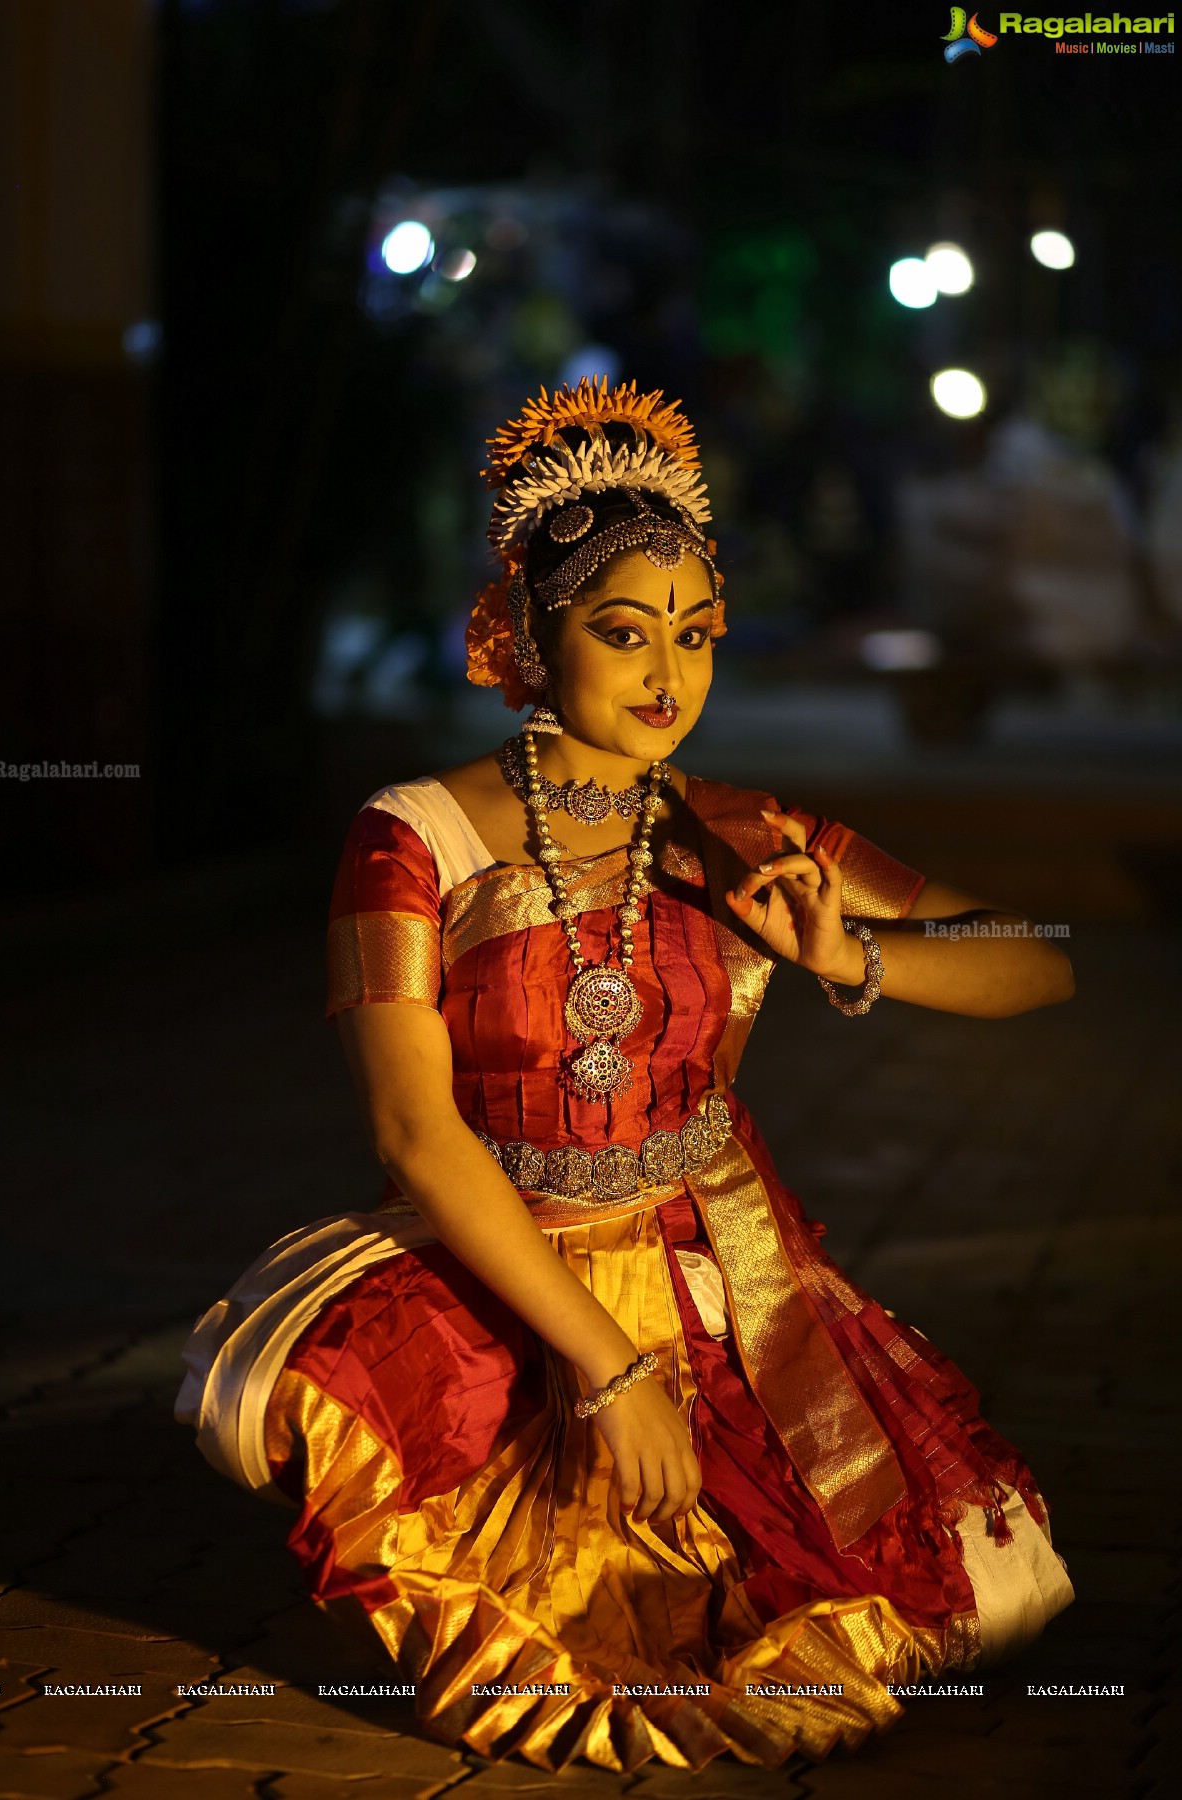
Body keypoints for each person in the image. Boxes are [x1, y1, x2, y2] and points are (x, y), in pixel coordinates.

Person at [177, 378, 1076, 1775]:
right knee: (596, 1651)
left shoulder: (741, 833)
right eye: (623, 630)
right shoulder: (410, 839)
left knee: (900, 1617)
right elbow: (416, 1135)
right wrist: (605, 1370)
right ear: (530, 636)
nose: (670, 674)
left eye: (698, 634)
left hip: (731, 1275)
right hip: (511, 1280)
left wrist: (857, 958)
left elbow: (1037, 962)